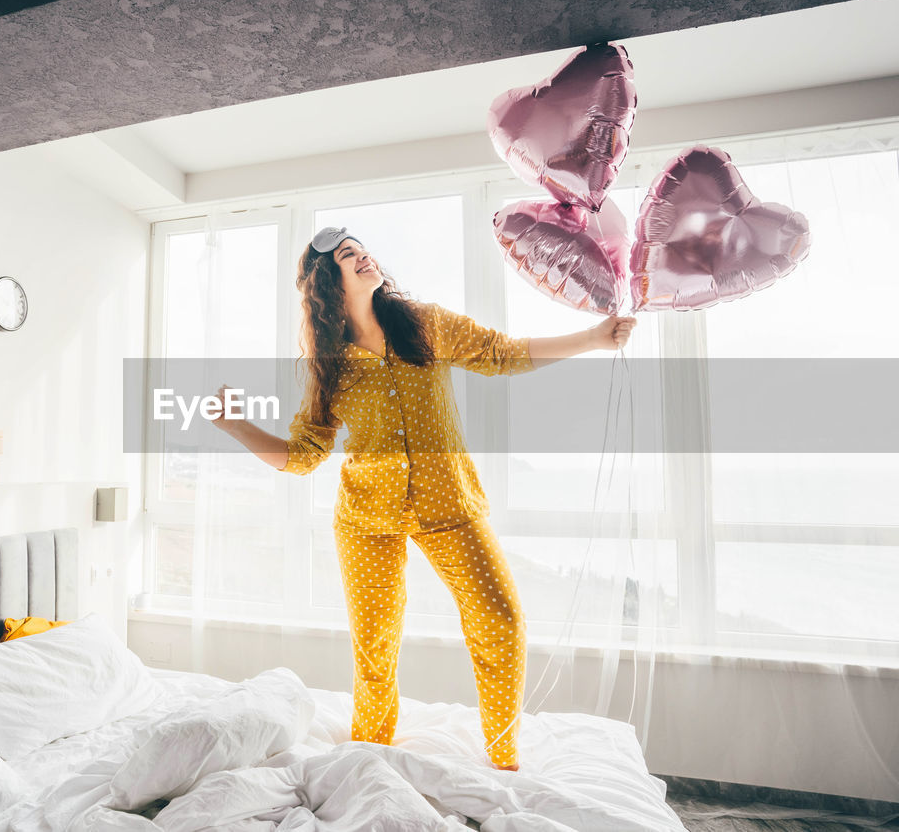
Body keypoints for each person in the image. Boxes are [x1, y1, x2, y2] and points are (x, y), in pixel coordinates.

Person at [210, 226, 635, 771]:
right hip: (367, 519)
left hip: (449, 506)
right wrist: (235, 427)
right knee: (376, 647)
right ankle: (370, 752)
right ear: (328, 283)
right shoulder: (330, 364)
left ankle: (503, 756)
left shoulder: (424, 324)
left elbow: (501, 353)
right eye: (348, 255)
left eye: (363, 249)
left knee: (501, 621)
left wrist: (592, 339)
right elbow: (305, 454)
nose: (364, 257)